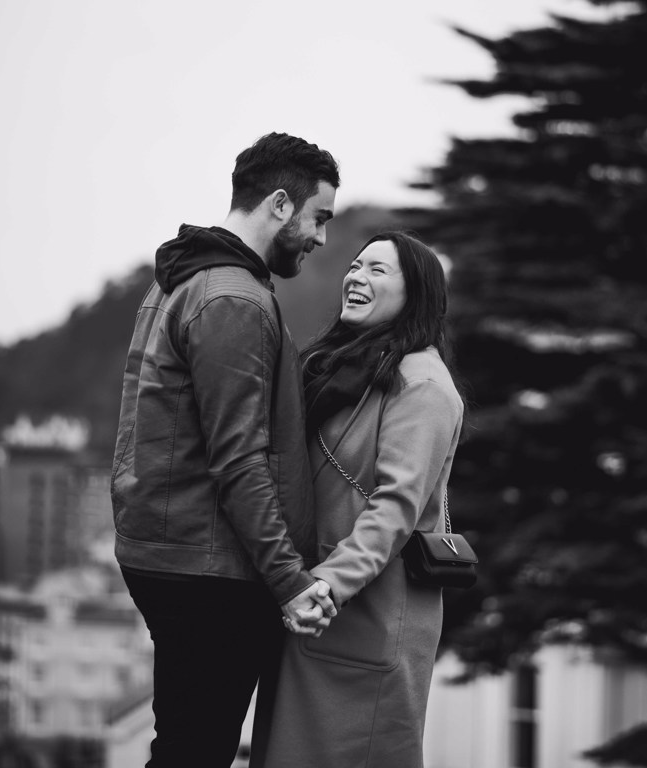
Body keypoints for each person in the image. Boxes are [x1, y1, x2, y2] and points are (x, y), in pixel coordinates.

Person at [110, 132, 340, 768]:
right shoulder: (233, 300)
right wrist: (290, 580)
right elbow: (240, 457)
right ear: (278, 204)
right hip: (208, 567)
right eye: (318, 217)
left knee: (185, 745)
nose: (321, 238)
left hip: (173, 550)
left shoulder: (180, 282)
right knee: (194, 752)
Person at [249, 231, 465, 768]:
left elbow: (396, 507)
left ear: (415, 294)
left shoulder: (423, 387)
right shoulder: (348, 366)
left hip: (365, 613)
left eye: (377, 270)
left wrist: (327, 583)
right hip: (318, 605)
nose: (356, 277)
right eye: (355, 265)